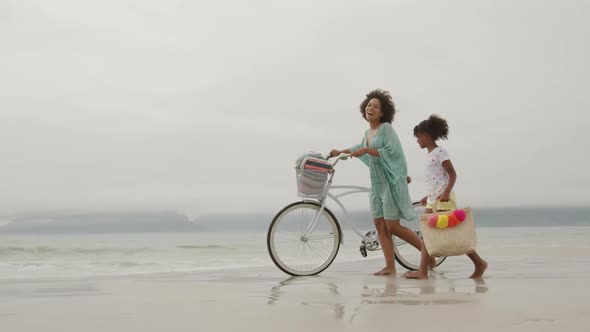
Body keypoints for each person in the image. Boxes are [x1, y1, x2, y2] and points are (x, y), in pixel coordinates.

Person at [330, 89, 428, 276]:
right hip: (376, 184)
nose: (370, 108)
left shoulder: (386, 129)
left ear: (383, 112)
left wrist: (367, 151)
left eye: (375, 106)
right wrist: (340, 151)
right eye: (368, 105)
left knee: (393, 226)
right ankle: (390, 267)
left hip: (390, 181)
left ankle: (427, 253)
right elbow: (359, 147)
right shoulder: (368, 132)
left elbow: (391, 152)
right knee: (379, 225)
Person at [404, 115, 488, 279]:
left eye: (418, 136)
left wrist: (446, 193)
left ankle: (479, 263)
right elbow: (436, 180)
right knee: (428, 234)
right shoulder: (430, 155)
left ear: (427, 134)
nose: (417, 140)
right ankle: (423, 271)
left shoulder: (439, 152)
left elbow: (452, 174)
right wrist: (427, 197)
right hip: (433, 200)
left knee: (453, 233)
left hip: (443, 200)